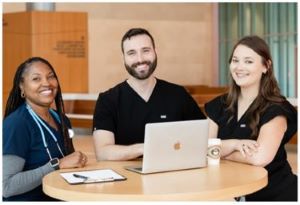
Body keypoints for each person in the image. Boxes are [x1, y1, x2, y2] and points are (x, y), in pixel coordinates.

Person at [205, 36, 297, 201]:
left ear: (266, 66)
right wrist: (234, 145)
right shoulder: (218, 105)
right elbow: (202, 150)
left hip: (276, 194)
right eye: (235, 60)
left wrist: (217, 152)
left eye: (248, 61)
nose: (239, 67)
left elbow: (259, 158)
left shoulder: (276, 108)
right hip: (233, 194)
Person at [93, 28, 206, 161]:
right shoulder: (107, 100)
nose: (140, 59)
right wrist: (146, 147)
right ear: (123, 57)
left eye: (145, 51)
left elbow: (201, 138)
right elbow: (103, 152)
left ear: (155, 52)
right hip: (127, 178)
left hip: (173, 174)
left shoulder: (179, 95)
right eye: (131, 53)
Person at [3, 57, 88, 201]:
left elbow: (69, 164)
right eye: (36, 79)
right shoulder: (17, 124)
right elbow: (6, 186)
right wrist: (57, 165)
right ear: (22, 87)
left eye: (51, 76)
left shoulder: (62, 120)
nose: (47, 83)